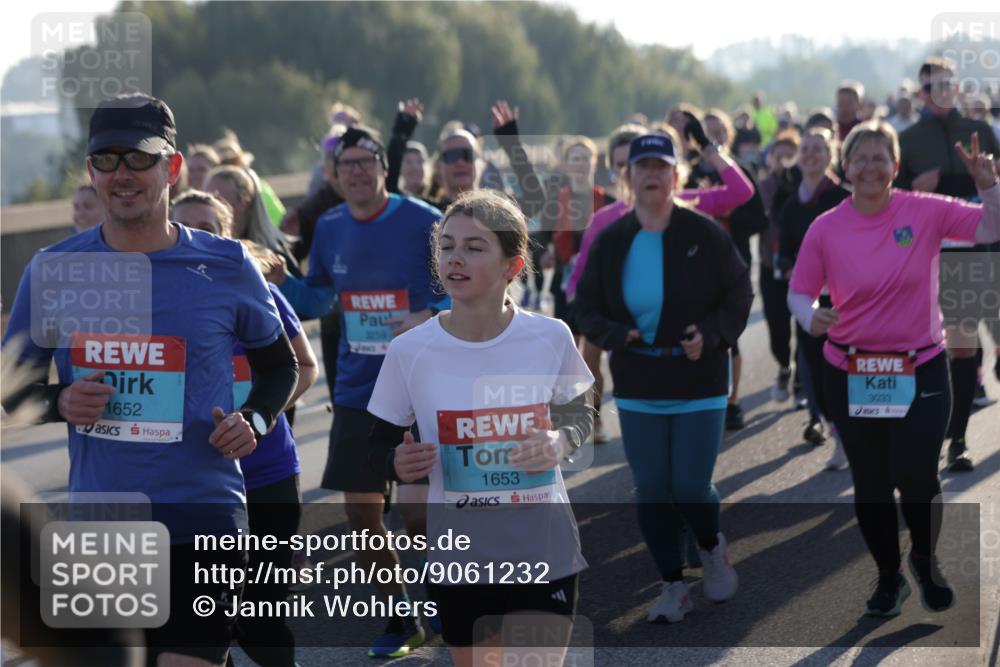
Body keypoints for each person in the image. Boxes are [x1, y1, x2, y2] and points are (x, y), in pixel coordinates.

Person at [1, 93, 299, 666]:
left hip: (204, 515)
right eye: (107, 160)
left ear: (173, 167)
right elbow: (13, 391)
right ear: (91, 171)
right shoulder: (55, 270)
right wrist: (62, 400)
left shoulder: (227, 264)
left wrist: (255, 421)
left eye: (139, 159)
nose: (123, 175)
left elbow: (279, 366)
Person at [367, 189, 594, 667]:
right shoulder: (410, 351)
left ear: (512, 266)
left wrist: (559, 439)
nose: (456, 258)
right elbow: (371, 446)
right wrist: (395, 462)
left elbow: (580, 411)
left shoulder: (550, 336)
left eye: (475, 247)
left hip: (542, 547)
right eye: (447, 245)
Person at [787, 120, 1000, 616]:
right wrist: (808, 314)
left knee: (916, 473)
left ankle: (925, 560)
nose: (870, 167)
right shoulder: (826, 227)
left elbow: (991, 227)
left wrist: (988, 184)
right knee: (872, 484)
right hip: (850, 370)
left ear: (895, 166)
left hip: (920, 368)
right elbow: (799, 290)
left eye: (881, 157)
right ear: (846, 165)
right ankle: (889, 576)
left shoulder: (922, 211)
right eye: (860, 157)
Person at [270, 126, 440, 658]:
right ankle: (401, 617)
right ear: (336, 177)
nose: (358, 172)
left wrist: (430, 315)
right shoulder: (331, 226)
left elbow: (469, 287)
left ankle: (460, 597)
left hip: (421, 385)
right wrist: (281, 282)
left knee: (417, 516)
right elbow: (320, 298)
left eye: (367, 161)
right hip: (358, 389)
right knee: (363, 519)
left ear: (383, 168)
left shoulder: (425, 222)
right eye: (348, 166)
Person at [575, 134, 752, 623]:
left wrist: (712, 334)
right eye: (642, 166)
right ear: (627, 177)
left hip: (698, 377)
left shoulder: (705, 232)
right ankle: (673, 585)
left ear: (677, 176)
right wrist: (616, 333)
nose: (652, 175)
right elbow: (583, 305)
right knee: (652, 486)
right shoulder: (611, 239)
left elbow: (740, 291)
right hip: (640, 381)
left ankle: (713, 548)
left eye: (661, 166)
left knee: (692, 486)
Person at [173, 192, 319, 666]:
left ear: (228, 234)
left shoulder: (257, 287)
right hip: (197, 482)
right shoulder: (160, 302)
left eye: (208, 227)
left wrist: (256, 417)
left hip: (266, 473)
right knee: (206, 616)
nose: (198, 236)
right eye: (186, 225)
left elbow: (302, 365)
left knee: (261, 615)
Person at [897, 56, 1000, 471]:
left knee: (963, 345)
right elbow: (892, 197)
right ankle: (920, 428)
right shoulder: (908, 140)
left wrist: (985, 181)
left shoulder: (980, 132)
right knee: (921, 348)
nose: (938, 92)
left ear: (956, 88)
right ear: (920, 93)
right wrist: (914, 189)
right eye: (930, 86)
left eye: (945, 84)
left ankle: (956, 438)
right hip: (922, 255)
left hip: (970, 253)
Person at [775, 128, 851, 468]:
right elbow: (785, 253)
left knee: (850, 370)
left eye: (817, 149)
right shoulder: (791, 205)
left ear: (830, 154)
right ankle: (838, 436)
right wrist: (789, 267)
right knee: (819, 374)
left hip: (848, 300)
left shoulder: (846, 197)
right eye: (804, 149)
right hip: (809, 302)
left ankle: (860, 437)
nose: (810, 154)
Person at [756, 130, 800, 404]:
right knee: (777, 327)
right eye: (778, 154)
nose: (784, 160)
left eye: (790, 154)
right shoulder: (762, 186)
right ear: (770, 157)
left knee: (806, 327)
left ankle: (803, 384)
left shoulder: (804, 186)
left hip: (802, 265)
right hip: (769, 264)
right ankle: (785, 366)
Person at [214, 130, 287, 227]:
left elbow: (281, 221)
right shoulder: (211, 192)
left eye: (234, 162)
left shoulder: (260, 187)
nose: (230, 169)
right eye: (225, 164)